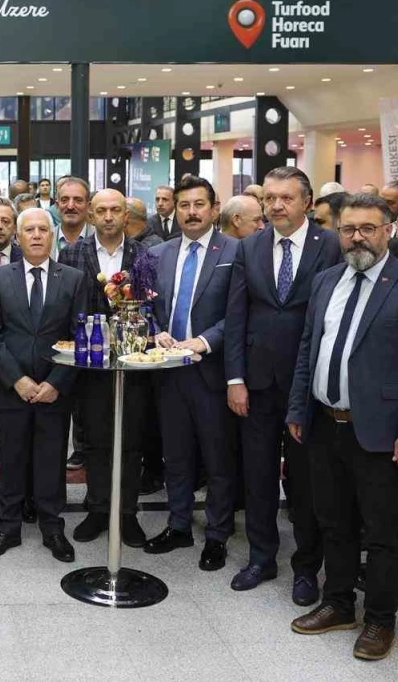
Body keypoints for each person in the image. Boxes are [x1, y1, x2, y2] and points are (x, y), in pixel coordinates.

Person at [286, 192, 398, 661]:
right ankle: (338, 603)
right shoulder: (326, 281)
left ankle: (380, 619)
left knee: (381, 534)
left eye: (368, 228)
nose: (357, 237)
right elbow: (308, 349)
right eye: (348, 229)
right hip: (324, 425)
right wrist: (297, 409)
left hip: (381, 433)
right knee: (332, 522)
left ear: (388, 231)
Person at [224, 167, 342, 604]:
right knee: (257, 475)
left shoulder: (332, 245)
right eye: (270, 198)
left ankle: (306, 567)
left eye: (286, 198)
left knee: (307, 480)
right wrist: (235, 378)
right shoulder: (250, 246)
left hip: (308, 384)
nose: (276, 206)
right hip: (256, 383)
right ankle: (261, 557)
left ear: (307, 202)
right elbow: (236, 315)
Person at [144, 176, 239, 572]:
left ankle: (217, 534)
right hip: (169, 373)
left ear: (214, 209)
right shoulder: (158, 253)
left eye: (199, 204)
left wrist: (202, 341)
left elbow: (239, 312)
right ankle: (179, 524)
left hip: (212, 372)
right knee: (176, 455)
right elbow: (146, 306)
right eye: (184, 205)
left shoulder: (235, 251)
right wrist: (155, 331)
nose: (191, 212)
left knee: (218, 458)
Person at [0, 207, 87, 562]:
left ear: (52, 236)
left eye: (43, 229)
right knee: (11, 459)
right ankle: (7, 528)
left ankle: (52, 528)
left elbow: (80, 335)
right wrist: (18, 380)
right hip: (12, 387)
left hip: (55, 388)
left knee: (51, 460)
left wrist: (56, 382)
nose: (37, 235)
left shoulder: (73, 278)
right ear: (18, 236)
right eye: (30, 230)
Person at [59, 189, 151, 548]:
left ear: (126, 216)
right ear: (91, 216)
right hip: (90, 365)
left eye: (115, 210)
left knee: (131, 441)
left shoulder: (143, 254)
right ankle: (97, 508)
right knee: (95, 441)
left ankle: (127, 513)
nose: (109, 216)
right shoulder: (72, 253)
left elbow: (150, 305)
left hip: (133, 363)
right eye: (101, 210)